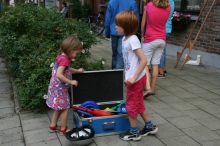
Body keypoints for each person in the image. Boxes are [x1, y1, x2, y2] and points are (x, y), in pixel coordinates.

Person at [115, 10, 158, 141]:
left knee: (131, 105)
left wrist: (133, 77)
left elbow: (144, 60)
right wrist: (128, 76)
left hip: (136, 80)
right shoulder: (124, 39)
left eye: (118, 24)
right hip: (133, 79)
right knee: (138, 103)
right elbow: (130, 62)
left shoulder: (133, 40)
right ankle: (149, 126)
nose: (115, 27)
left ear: (126, 26)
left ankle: (134, 132)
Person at [46, 36, 84, 135]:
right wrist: (70, 82)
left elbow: (67, 69)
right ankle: (63, 129)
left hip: (55, 88)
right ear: (71, 50)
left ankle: (53, 125)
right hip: (60, 89)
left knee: (59, 108)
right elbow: (59, 74)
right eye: (76, 53)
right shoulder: (65, 60)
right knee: (65, 108)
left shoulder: (61, 57)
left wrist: (77, 71)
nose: (76, 56)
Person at [141, 0, 171, 97]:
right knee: (155, 64)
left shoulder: (149, 6)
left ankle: (148, 88)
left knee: (145, 63)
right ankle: (153, 89)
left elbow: (143, 23)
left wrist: (142, 35)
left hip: (150, 38)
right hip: (162, 39)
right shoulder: (168, 7)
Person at [105, 0, 139, 69]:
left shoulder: (111, 2)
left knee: (115, 54)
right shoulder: (131, 2)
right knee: (121, 55)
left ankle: (113, 73)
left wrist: (107, 32)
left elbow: (108, 19)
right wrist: (133, 31)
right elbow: (136, 18)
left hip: (114, 30)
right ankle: (118, 75)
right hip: (126, 31)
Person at [158, 0, 175, 78]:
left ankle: (160, 71)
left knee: (160, 51)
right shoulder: (171, 2)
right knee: (163, 50)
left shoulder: (164, 3)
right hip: (168, 29)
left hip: (162, 29)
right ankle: (163, 69)